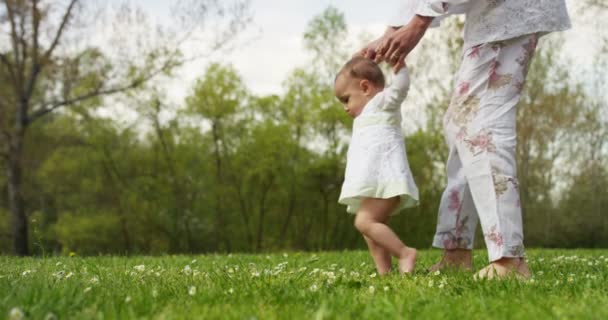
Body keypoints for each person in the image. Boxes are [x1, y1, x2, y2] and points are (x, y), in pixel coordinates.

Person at [359, 0, 571, 279]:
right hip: (491, 15)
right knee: (461, 123)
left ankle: (510, 260)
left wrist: (419, 24)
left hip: (509, 11)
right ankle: (456, 252)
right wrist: (392, 32)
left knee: (482, 126)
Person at [335, 57, 419, 275]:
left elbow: (400, 88)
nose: (345, 108)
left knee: (364, 222)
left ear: (365, 87)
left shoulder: (381, 103)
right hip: (372, 183)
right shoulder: (362, 118)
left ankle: (404, 253)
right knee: (370, 229)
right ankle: (385, 272)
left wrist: (398, 64)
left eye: (346, 99)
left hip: (387, 180)